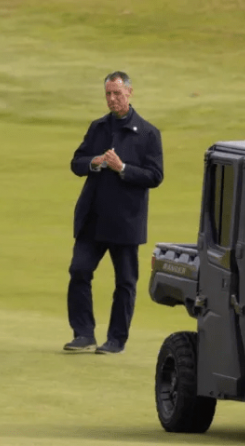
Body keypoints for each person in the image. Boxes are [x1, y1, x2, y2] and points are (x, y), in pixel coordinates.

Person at [64, 71, 163, 354]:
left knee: (125, 283)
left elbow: (155, 176)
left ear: (130, 93)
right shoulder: (98, 128)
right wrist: (94, 162)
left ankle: (116, 340)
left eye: (117, 93)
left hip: (125, 221)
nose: (112, 99)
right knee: (79, 271)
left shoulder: (147, 133)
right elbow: (76, 162)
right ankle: (83, 334)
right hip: (92, 217)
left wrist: (122, 168)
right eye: (108, 94)